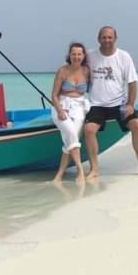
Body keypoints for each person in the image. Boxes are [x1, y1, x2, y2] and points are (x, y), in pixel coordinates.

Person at [84, 26, 138, 178]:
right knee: (89, 130)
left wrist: (130, 104)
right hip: (97, 104)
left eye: (110, 37)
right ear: (98, 39)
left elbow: (132, 82)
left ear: (115, 39)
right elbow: (75, 69)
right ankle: (94, 169)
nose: (107, 40)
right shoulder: (90, 56)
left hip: (119, 103)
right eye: (104, 37)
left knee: (136, 125)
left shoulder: (124, 56)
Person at [51, 42, 90, 184]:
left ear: (84, 55)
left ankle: (59, 175)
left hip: (79, 107)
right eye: (74, 54)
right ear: (69, 55)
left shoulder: (86, 71)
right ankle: (80, 170)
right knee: (71, 133)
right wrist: (60, 111)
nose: (76, 56)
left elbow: (96, 89)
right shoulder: (62, 71)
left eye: (79, 54)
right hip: (61, 106)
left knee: (70, 139)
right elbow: (54, 95)